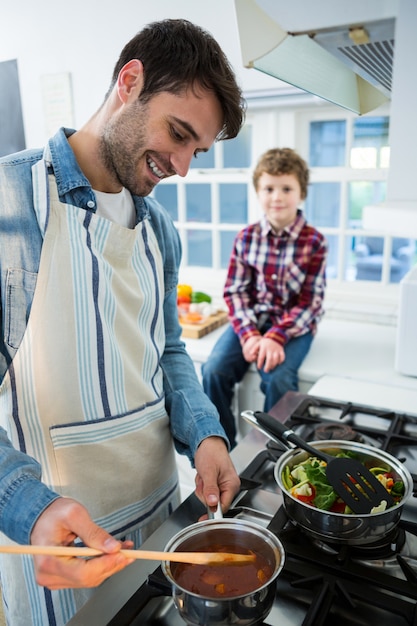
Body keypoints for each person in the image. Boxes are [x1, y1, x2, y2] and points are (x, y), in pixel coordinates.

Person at [0, 18, 245, 626]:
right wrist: (24, 506)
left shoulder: (159, 229)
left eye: (197, 151)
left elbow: (166, 351)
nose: (183, 166)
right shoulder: (11, 200)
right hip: (60, 537)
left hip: (162, 520)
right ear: (129, 81)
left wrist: (206, 432)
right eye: (178, 134)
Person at [202, 148, 327, 448]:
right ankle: (225, 447)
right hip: (252, 321)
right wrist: (249, 336)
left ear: (301, 193)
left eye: (287, 188)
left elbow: (310, 302)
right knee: (213, 369)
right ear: (258, 191)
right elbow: (236, 291)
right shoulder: (246, 238)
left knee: (279, 377)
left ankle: (274, 451)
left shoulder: (314, 241)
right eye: (269, 188)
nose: (277, 196)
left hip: (292, 326)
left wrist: (276, 336)